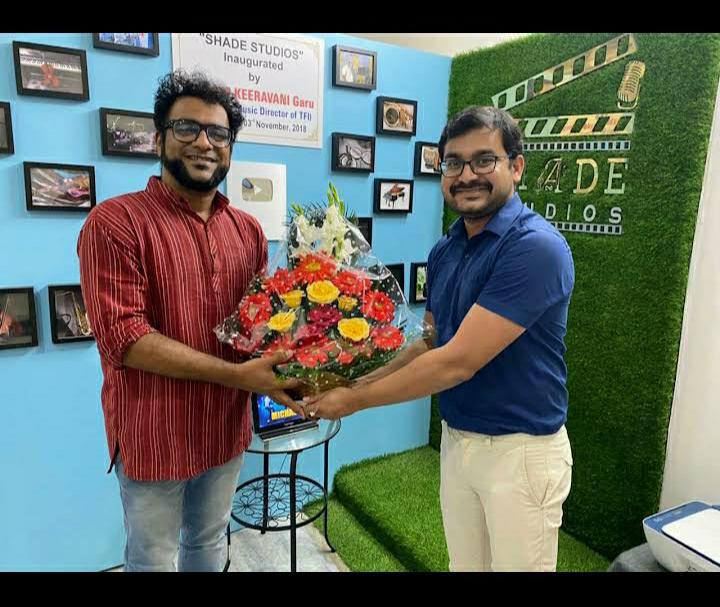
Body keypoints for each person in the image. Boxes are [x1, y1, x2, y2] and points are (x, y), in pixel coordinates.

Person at [305, 106, 575, 572]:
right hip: (458, 441)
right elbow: (430, 342)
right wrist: (352, 381)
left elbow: (456, 362)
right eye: (453, 163)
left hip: (519, 453)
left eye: (484, 160)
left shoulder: (535, 248)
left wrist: (352, 401)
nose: (466, 175)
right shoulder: (446, 249)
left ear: (516, 166)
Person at [77, 70, 300, 572]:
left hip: (224, 428)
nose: (204, 142)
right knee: (153, 558)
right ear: (159, 139)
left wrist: (307, 350)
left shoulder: (247, 230)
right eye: (187, 128)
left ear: (230, 147)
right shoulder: (115, 223)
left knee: (209, 542)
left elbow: (256, 324)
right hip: (155, 432)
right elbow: (125, 339)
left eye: (218, 133)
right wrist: (239, 376)